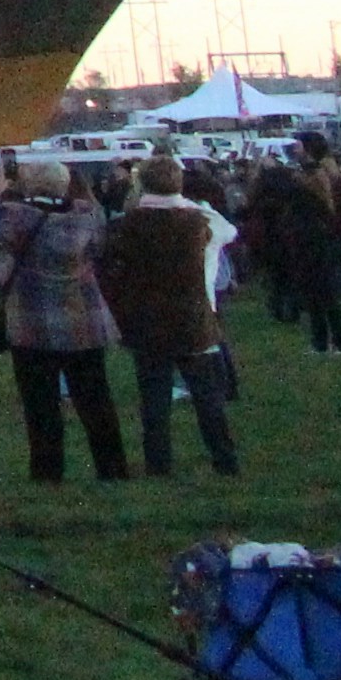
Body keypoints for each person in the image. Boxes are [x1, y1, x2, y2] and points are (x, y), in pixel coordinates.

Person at [0, 158, 130, 486]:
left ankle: (48, 473)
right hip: (83, 320)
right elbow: (99, 250)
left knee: (41, 404)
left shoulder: (17, 216)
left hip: (34, 321)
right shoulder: (88, 215)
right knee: (96, 400)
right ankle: (113, 468)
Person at [107, 157, 242, 480]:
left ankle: (158, 463)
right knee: (207, 396)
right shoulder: (200, 220)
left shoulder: (127, 224)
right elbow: (230, 232)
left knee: (154, 397)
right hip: (193, 317)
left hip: (147, 319)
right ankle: (224, 459)